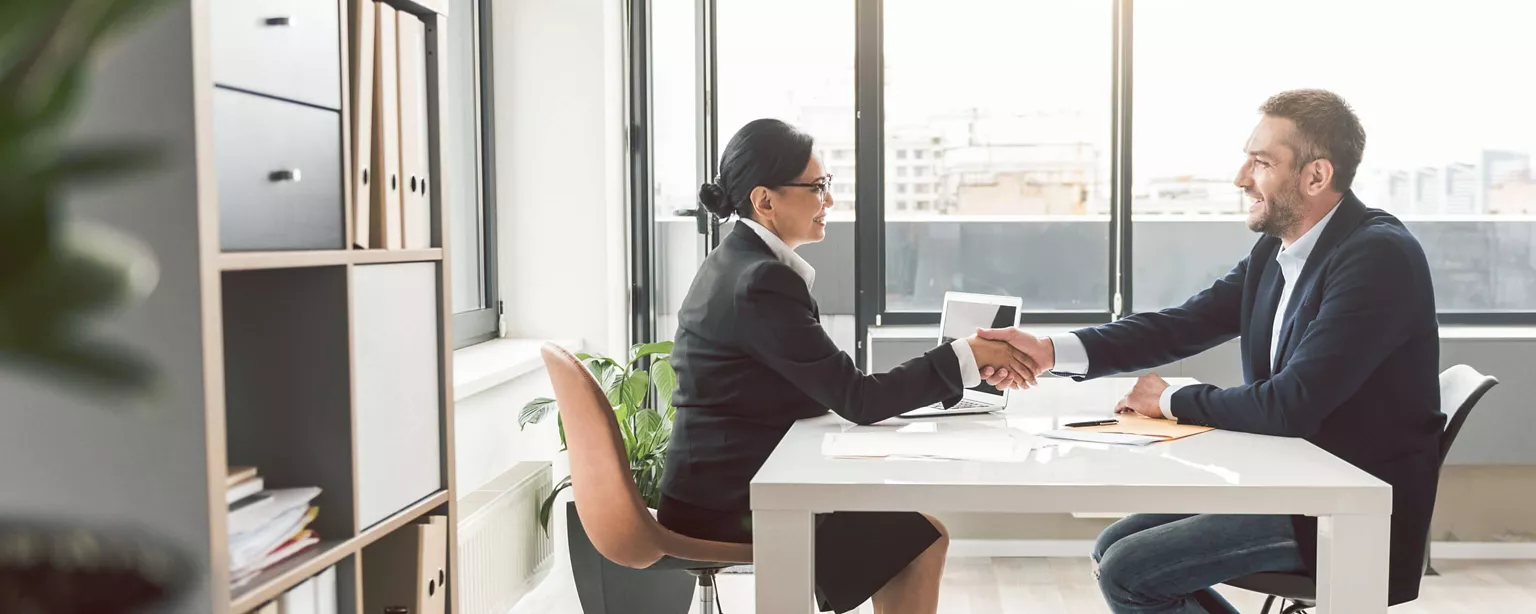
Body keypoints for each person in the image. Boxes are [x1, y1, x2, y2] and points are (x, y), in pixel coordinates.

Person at [981, 89, 1443, 613]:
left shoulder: (1375, 256)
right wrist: (1048, 350)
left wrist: (1173, 400)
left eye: (1262, 162)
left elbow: (1289, 405)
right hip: (1295, 483)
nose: (1241, 177)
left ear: (1316, 176)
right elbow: (1184, 324)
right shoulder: (1280, 248)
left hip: (1346, 507)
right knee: (1112, 547)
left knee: (1132, 571)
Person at [658, 118, 1039, 614]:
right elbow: (857, 399)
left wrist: (942, 375)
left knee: (913, 530)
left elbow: (830, 388)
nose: (829, 202)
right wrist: (965, 357)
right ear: (765, 201)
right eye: (816, 187)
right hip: (728, 500)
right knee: (921, 540)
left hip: (720, 481)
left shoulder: (737, 262)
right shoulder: (761, 282)